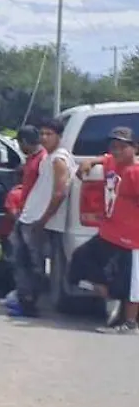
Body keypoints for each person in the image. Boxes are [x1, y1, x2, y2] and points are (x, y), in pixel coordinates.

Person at [69, 126, 139, 334]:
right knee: (80, 260)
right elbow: (104, 158)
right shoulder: (112, 163)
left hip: (133, 238)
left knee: (132, 284)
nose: (116, 151)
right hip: (109, 233)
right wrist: (89, 162)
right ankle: (110, 296)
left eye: (122, 147)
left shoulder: (135, 173)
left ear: (134, 148)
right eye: (113, 146)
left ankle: (128, 323)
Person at [6, 123, 71, 318]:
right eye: (42, 133)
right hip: (28, 215)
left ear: (59, 136)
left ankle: (29, 303)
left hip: (36, 219)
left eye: (49, 134)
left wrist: (43, 219)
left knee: (32, 264)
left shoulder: (58, 159)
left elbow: (60, 192)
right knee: (20, 260)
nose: (44, 137)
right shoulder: (46, 158)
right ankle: (24, 299)